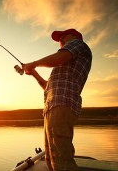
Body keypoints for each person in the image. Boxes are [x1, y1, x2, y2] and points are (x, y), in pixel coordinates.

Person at [22, 29, 92, 171]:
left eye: (62, 36)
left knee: (61, 161)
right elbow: (47, 87)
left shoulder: (77, 44)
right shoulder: (65, 64)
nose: (60, 40)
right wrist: (33, 72)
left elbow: (58, 58)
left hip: (61, 106)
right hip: (53, 108)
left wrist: (33, 63)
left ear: (73, 36)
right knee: (51, 159)